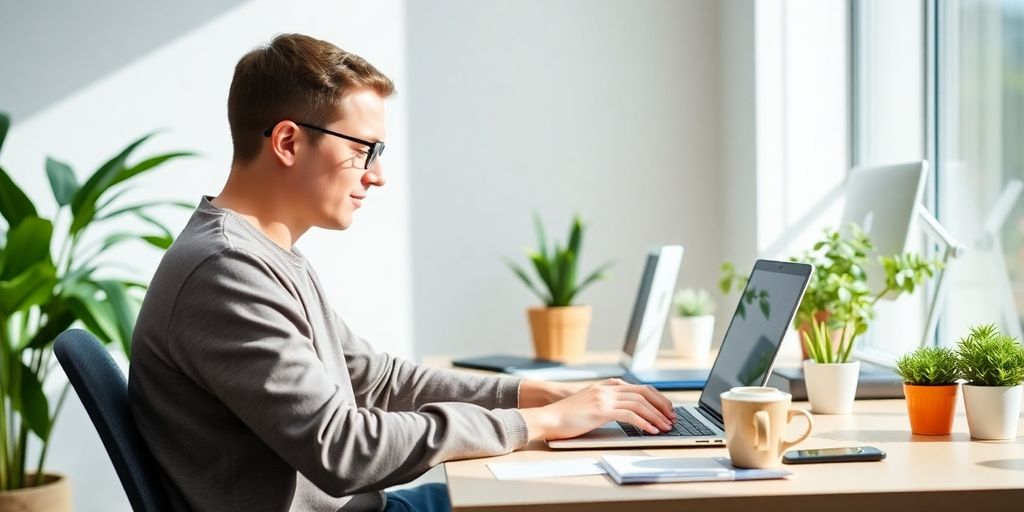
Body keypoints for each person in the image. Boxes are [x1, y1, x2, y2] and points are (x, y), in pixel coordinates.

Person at [128, 33, 676, 512]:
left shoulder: (264, 256)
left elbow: (380, 380)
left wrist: (541, 395)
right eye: (365, 149)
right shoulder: (225, 270)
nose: (378, 175)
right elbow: (343, 450)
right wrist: (540, 425)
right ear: (289, 141)